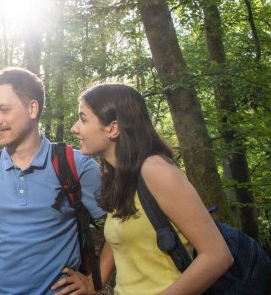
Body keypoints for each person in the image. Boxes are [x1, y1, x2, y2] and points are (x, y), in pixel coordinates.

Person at [70, 83, 233, 294]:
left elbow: (217, 255)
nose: (75, 128)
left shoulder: (156, 170)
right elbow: (120, 235)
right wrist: (94, 282)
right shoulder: (120, 176)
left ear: (113, 128)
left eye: (83, 119)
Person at [0, 67, 106, 295]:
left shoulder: (76, 167)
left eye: (3, 110)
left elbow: (122, 228)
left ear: (32, 108)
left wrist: (94, 282)